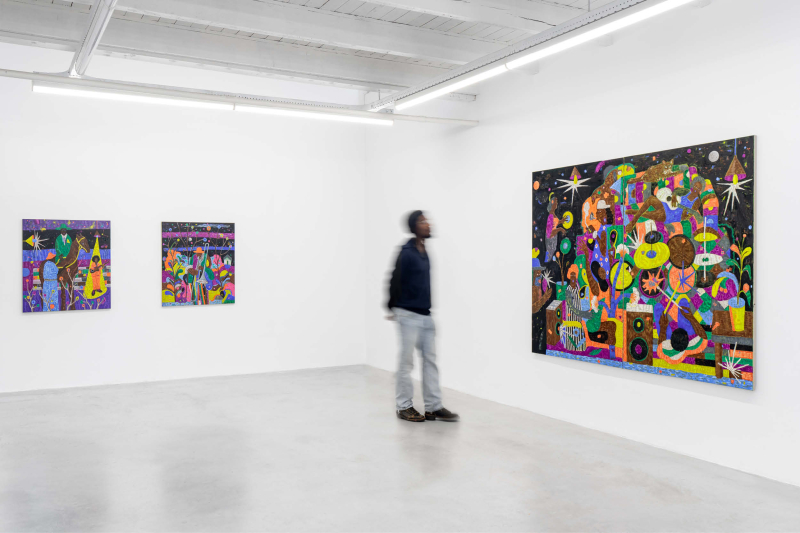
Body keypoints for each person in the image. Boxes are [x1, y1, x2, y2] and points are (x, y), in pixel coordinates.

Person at [387, 211, 459, 423]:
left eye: (427, 220)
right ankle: (403, 406)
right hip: (407, 315)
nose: (428, 224)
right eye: (422, 221)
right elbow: (394, 279)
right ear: (414, 227)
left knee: (430, 362)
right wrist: (393, 307)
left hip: (426, 316)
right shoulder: (406, 252)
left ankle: (433, 407)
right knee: (406, 363)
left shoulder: (424, 251)